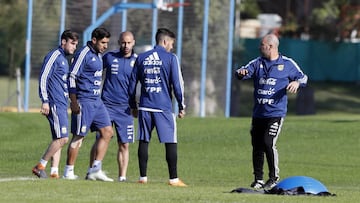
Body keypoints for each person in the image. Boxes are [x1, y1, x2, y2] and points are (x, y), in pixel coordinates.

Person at [235, 33, 308, 190]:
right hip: (258, 114)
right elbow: (242, 72)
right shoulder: (257, 63)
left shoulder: (287, 64)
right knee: (257, 145)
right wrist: (240, 73)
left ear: (271, 47)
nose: (259, 47)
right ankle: (258, 179)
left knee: (268, 142)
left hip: (275, 114)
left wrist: (296, 82)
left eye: (262, 45)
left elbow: (304, 78)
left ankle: (273, 178)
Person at [129, 28, 187, 187]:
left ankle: (142, 178)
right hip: (163, 107)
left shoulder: (141, 58)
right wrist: (181, 105)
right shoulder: (170, 58)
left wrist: (133, 104)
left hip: (145, 106)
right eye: (172, 43)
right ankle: (173, 179)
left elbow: (132, 83)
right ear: (165, 41)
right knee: (170, 141)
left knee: (143, 140)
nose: (172, 47)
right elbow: (177, 84)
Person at [62, 27, 114, 181]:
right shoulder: (83, 53)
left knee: (107, 133)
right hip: (83, 101)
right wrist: (74, 102)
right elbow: (71, 77)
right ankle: (68, 171)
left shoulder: (98, 55)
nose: (105, 46)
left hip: (97, 102)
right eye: (103, 42)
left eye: (107, 43)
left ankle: (95, 170)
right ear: (94, 40)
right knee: (79, 137)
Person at [88, 31, 137, 182]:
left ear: (133, 42)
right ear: (119, 42)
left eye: (129, 43)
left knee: (124, 144)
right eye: (123, 42)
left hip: (125, 109)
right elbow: (93, 71)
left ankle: (122, 177)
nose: (126, 46)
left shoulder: (138, 61)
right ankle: (92, 171)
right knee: (100, 139)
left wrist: (136, 105)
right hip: (106, 106)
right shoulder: (109, 57)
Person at [32, 30, 79, 179]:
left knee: (57, 137)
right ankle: (40, 166)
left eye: (76, 45)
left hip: (61, 103)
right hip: (54, 103)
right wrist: (45, 100)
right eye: (72, 43)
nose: (74, 47)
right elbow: (43, 77)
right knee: (63, 138)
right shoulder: (54, 56)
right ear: (63, 41)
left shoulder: (64, 59)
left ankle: (54, 172)